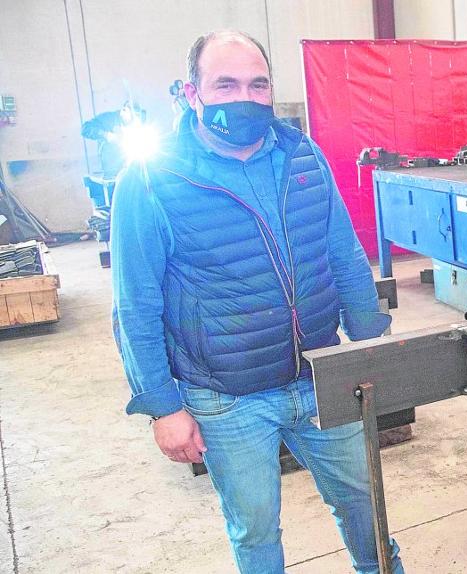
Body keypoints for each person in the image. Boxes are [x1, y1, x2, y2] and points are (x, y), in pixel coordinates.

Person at [110, 30, 402, 574]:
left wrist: (371, 347)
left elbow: (343, 253)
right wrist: (163, 406)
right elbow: (135, 305)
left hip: (320, 376)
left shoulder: (302, 155)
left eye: (257, 84)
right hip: (227, 398)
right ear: (192, 93)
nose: (244, 97)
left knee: (368, 511)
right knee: (256, 531)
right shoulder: (151, 178)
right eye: (225, 85)